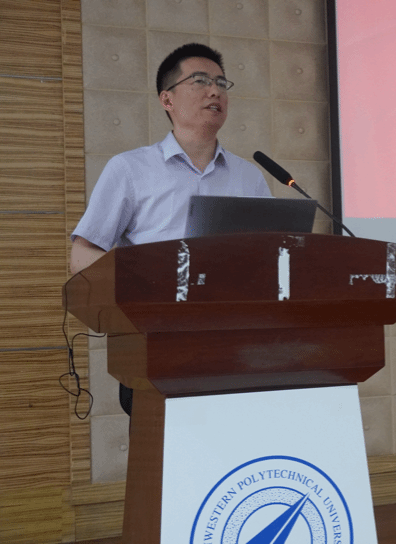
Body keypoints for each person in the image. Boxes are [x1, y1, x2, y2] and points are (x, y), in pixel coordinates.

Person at [71, 43, 272, 414]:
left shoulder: (250, 177)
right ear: (167, 99)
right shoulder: (130, 169)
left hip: (237, 347)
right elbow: (82, 254)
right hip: (156, 343)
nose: (214, 91)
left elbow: (271, 259)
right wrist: (137, 279)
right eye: (200, 81)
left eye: (221, 83)